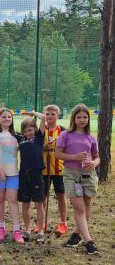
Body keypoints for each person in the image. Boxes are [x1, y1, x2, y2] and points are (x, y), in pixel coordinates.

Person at [56, 104, 100, 255]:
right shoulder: (66, 135)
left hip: (88, 174)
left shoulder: (91, 137)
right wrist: (74, 157)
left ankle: (76, 235)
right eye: (79, 117)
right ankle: (89, 241)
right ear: (73, 118)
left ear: (88, 119)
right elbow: (58, 154)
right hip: (72, 175)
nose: (82, 120)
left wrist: (94, 163)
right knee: (79, 208)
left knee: (86, 205)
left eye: (85, 117)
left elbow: (97, 157)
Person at [0, 108, 23, 244]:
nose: (7, 119)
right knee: (0, 199)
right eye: (3, 117)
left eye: (9, 117)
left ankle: (17, 230)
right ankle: (1, 228)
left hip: (13, 174)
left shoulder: (15, 135)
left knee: (12, 200)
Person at [16, 113, 46, 243]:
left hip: (36, 174)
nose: (29, 132)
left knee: (39, 204)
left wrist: (32, 113)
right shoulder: (20, 139)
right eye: (26, 130)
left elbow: (44, 117)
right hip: (23, 174)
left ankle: (40, 231)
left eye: (31, 129)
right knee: (25, 204)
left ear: (35, 129)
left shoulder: (39, 137)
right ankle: (27, 230)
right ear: (22, 132)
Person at [42, 104, 67, 236]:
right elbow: (35, 147)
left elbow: (68, 148)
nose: (50, 116)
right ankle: (42, 222)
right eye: (47, 114)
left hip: (59, 170)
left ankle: (63, 223)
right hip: (44, 169)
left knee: (60, 195)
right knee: (42, 197)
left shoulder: (63, 131)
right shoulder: (41, 130)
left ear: (58, 115)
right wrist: (44, 147)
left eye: (53, 114)